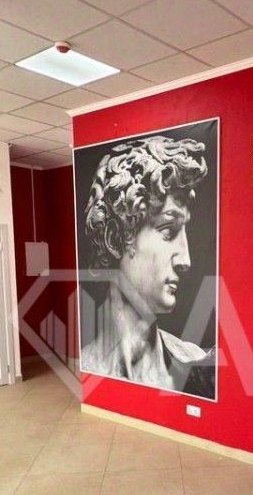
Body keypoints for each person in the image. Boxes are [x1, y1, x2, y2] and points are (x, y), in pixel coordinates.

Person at [80, 135, 215, 398]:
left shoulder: (197, 366)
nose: (185, 260)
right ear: (115, 239)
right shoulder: (88, 368)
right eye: (168, 231)